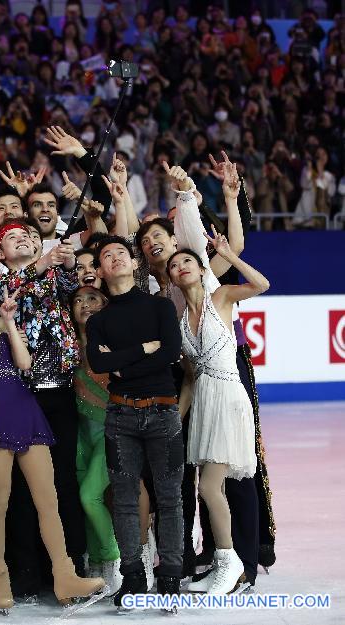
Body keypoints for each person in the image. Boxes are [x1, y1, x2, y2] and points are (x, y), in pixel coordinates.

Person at [0, 259, 104, 612]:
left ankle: (65, 574)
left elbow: (25, 364)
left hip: (24, 407)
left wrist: (9, 323)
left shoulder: (1, 319)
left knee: (49, 499)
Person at [84, 235, 184, 608]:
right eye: (106, 256)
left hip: (162, 412)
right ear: (100, 270)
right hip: (120, 416)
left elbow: (172, 353)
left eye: (121, 253)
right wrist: (143, 349)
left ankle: (170, 576)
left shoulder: (159, 307)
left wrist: (123, 364)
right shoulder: (99, 321)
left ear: (134, 262)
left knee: (170, 498)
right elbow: (99, 364)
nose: (115, 259)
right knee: (124, 501)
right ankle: (133, 577)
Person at [0, 220, 89, 587]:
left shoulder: (51, 276)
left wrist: (65, 262)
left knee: (62, 479)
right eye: (13, 237)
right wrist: (45, 261)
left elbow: (70, 282)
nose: (25, 239)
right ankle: (26, 570)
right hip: (23, 393)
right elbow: (10, 292)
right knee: (21, 487)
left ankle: (71, 564)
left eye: (29, 236)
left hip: (60, 389)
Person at [168, 235, 268, 595]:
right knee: (207, 486)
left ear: (200, 269)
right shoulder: (180, 324)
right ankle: (227, 564)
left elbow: (261, 284)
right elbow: (192, 380)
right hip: (205, 403)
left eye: (187, 262)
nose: (180, 268)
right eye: (175, 266)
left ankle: (230, 561)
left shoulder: (221, 298)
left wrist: (228, 256)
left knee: (210, 486)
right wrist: (175, 421)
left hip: (228, 397)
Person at [69, 285, 122, 594]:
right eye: (77, 300)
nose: (84, 304)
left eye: (91, 298)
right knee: (83, 499)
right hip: (79, 434)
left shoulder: (116, 342)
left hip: (110, 430)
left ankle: (113, 559)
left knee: (91, 496)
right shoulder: (68, 343)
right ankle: (96, 564)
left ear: (105, 304)